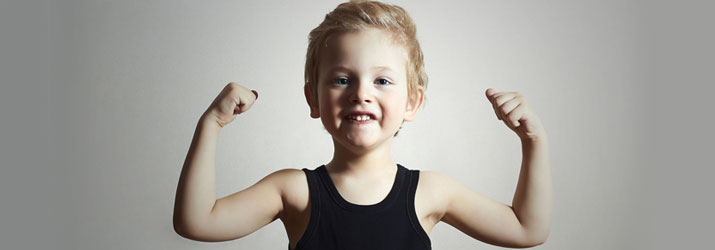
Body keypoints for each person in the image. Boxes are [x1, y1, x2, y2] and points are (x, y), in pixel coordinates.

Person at [173, 1, 552, 249]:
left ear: (412, 102)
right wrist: (212, 124)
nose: (361, 94)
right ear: (313, 99)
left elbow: (526, 229)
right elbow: (196, 222)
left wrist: (533, 141)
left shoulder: (432, 193)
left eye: (382, 81)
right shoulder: (292, 190)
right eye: (342, 79)